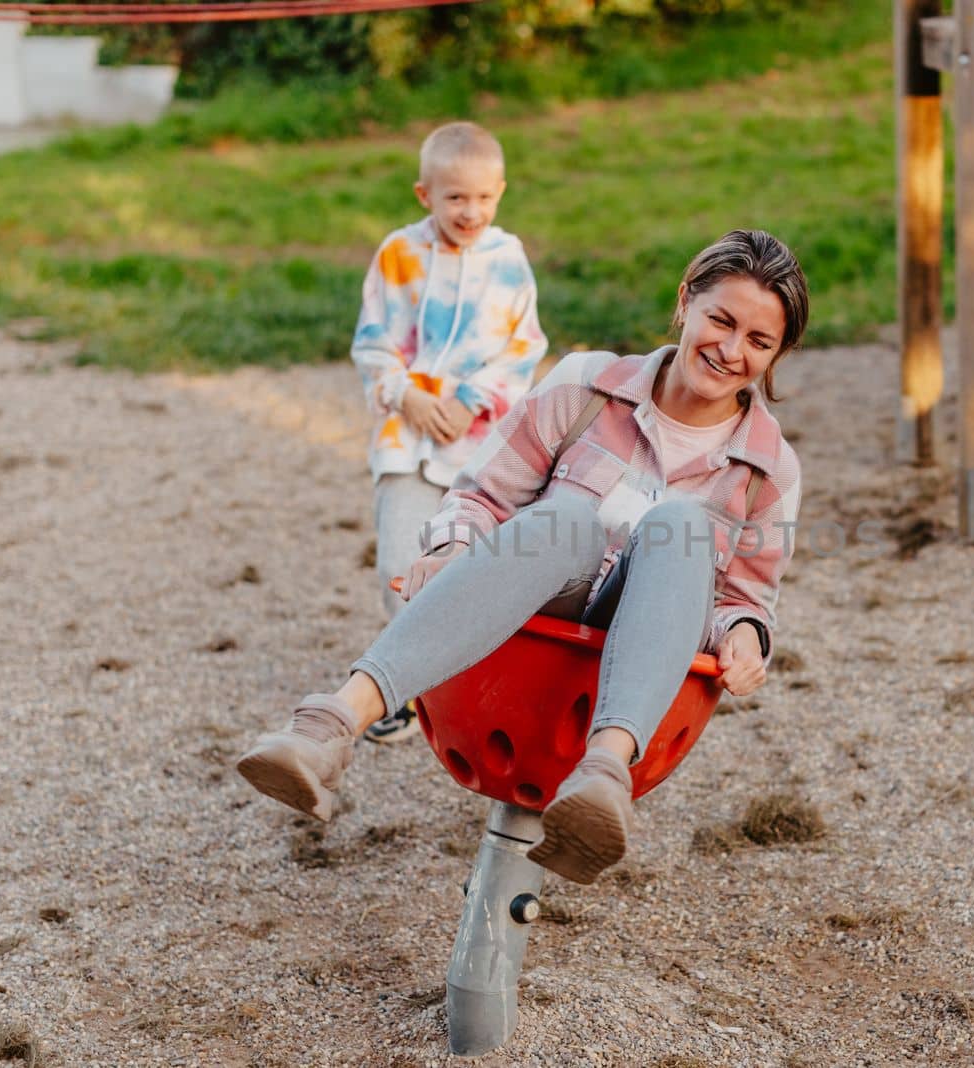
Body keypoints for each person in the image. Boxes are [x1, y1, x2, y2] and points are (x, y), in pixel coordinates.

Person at [238, 229, 807, 885]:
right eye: (721, 320)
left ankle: (600, 779)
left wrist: (743, 635)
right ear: (685, 302)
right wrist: (451, 545)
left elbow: (745, 600)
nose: (731, 351)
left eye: (759, 342)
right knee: (568, 518)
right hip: (527, 627)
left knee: (680, 525)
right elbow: (482, 495)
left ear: (777, 354)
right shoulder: (585, 385)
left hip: (634, 672)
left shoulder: (770, 473)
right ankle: (328, 727)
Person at [351, 120, 548, 743]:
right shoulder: (398, 255)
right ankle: (401, 687)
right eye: (455, 197)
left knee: (473, 563)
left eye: (484, 198)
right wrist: (402, 394)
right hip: (407, 441)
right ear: (425, 195)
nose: (471, 211)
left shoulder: (507, 260)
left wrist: (472, 399)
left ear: (502, 192)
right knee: (402, 561)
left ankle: (470, 675)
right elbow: (373, 342)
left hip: (478, 446)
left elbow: (523, 348)